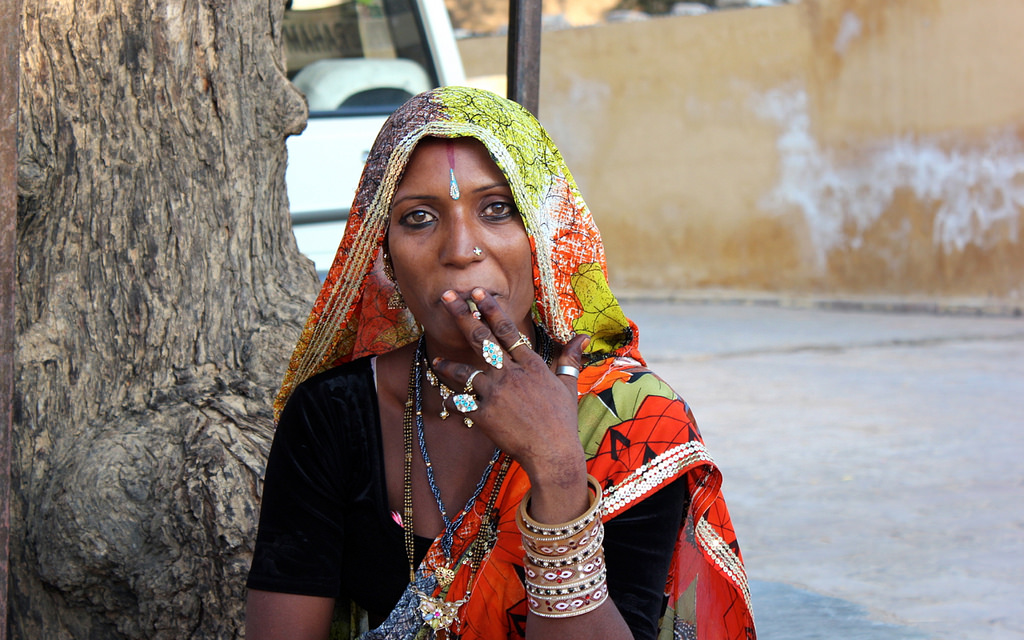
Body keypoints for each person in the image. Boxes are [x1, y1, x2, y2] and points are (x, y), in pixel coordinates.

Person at [245, 86, 754, 640]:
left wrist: (558, 467)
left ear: (545, 238)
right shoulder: (334, 411)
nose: (461, 248)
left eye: (497, 209)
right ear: (383, 254)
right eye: (418, 218)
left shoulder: (633, 422)